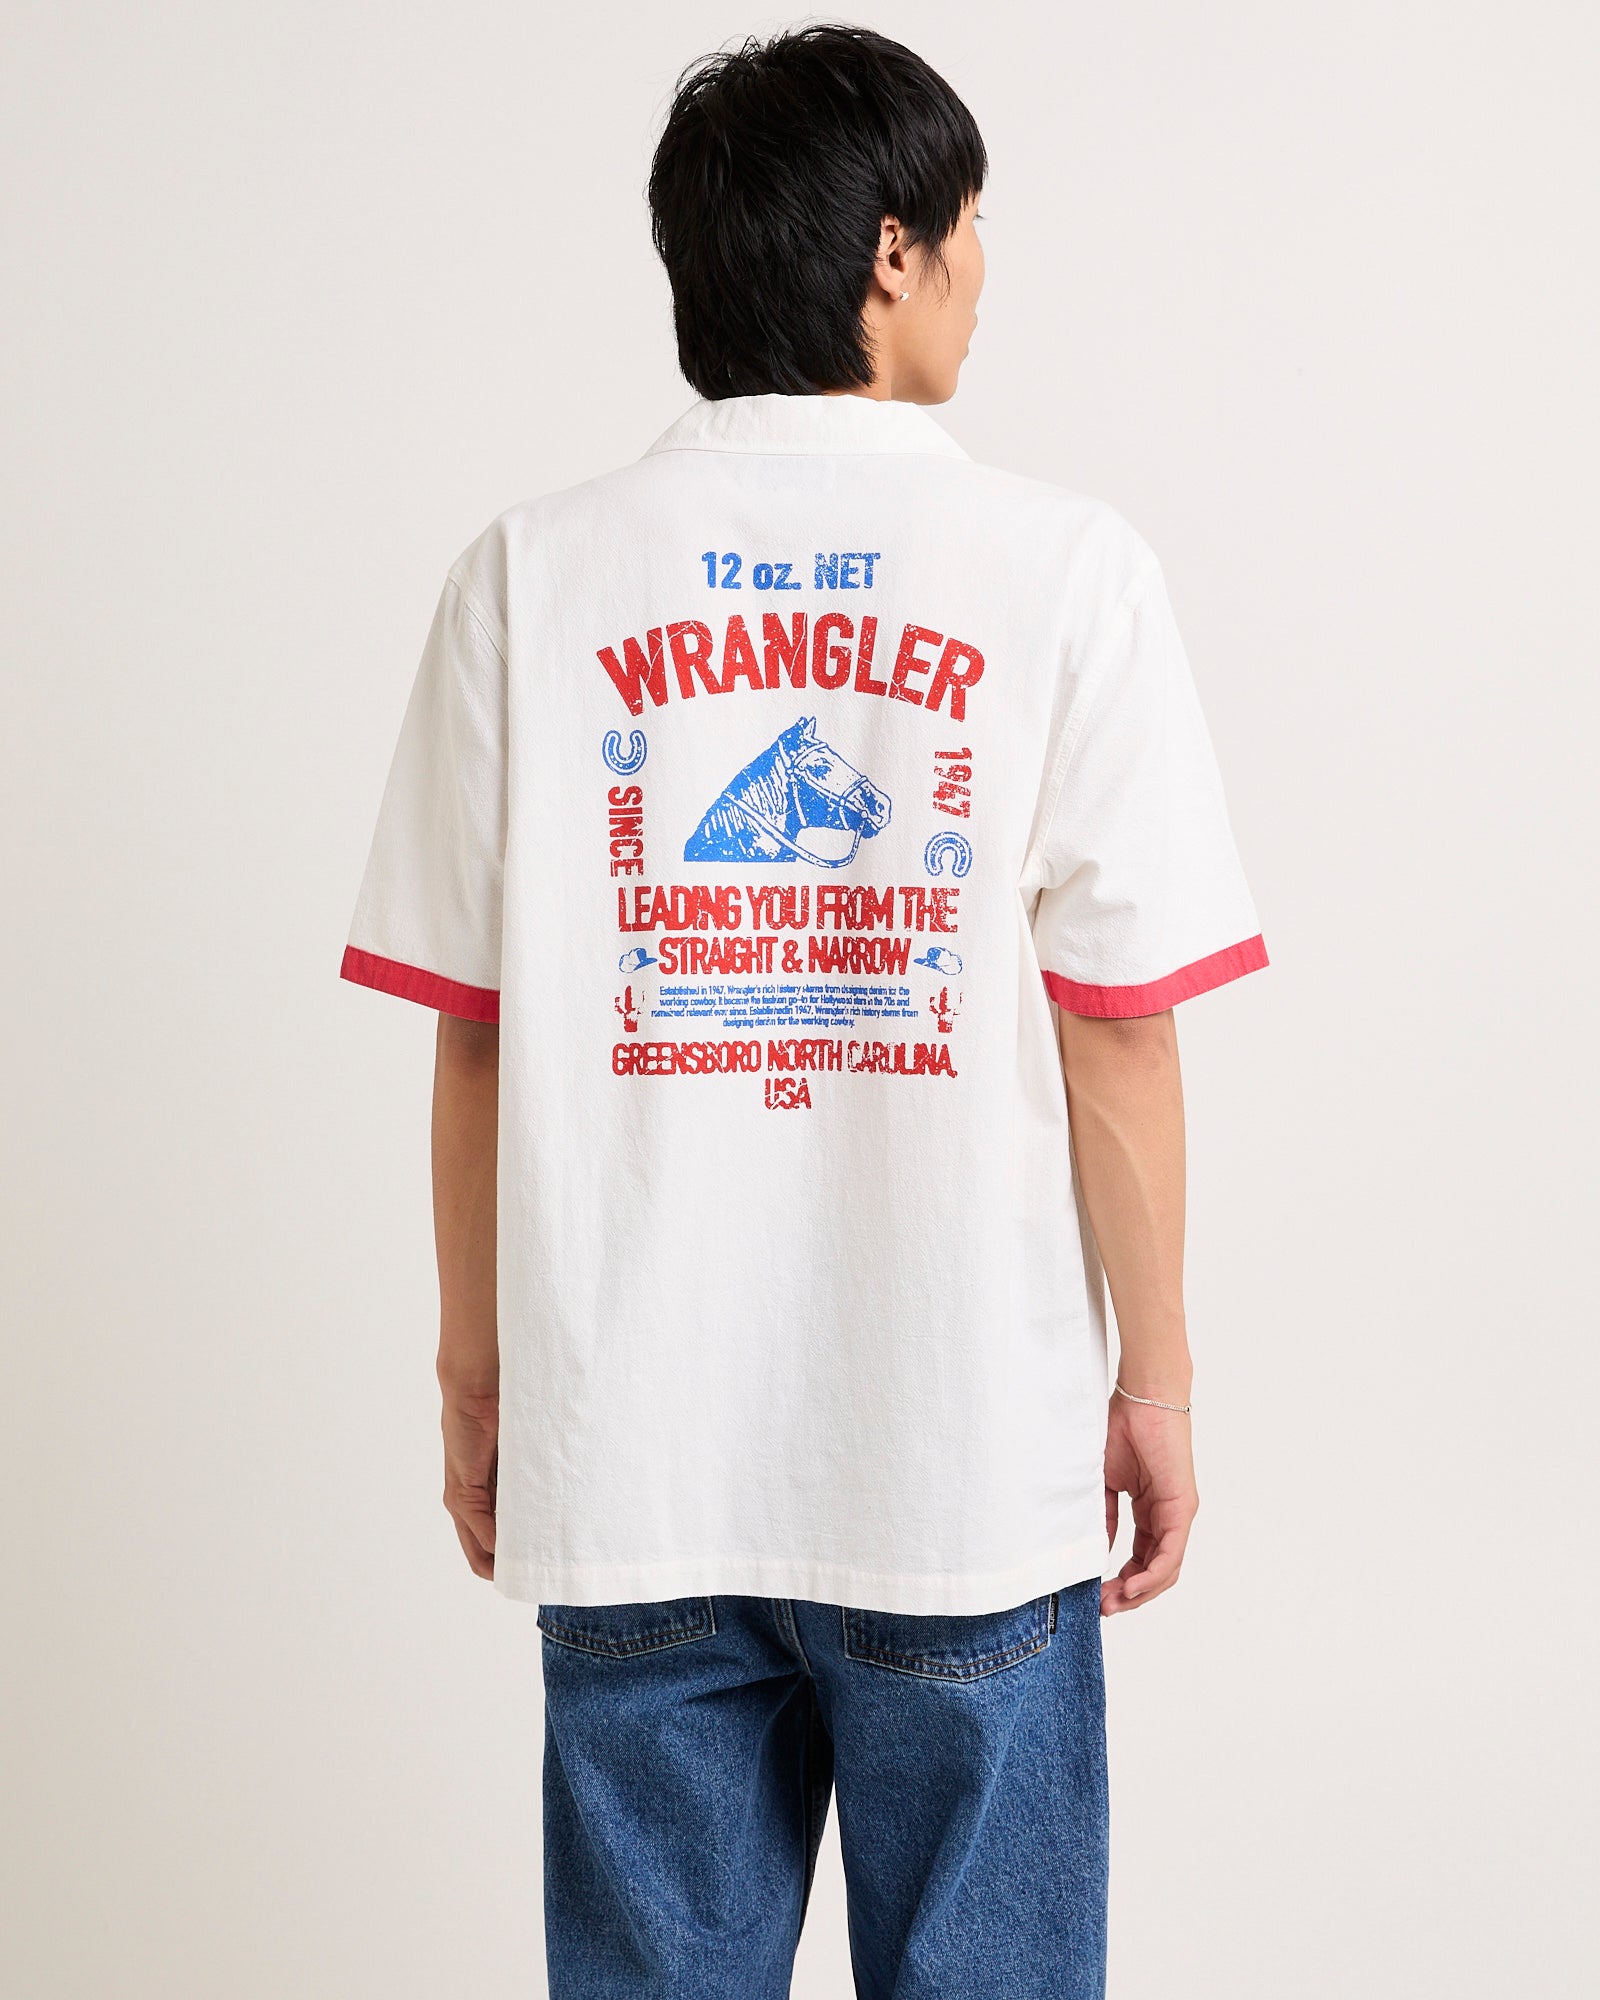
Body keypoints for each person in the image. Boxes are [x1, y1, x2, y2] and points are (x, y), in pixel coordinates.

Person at [339, 24, 1265, 1998]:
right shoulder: (1064, 572)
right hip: (961, 1460)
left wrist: (475, 1374)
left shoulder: (527, 577)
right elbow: (1115, 1023)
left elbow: (478, 1033)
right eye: (971, 227)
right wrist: (1158, 1382)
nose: (987, 272)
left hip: (634, 1457)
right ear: (890, 254)